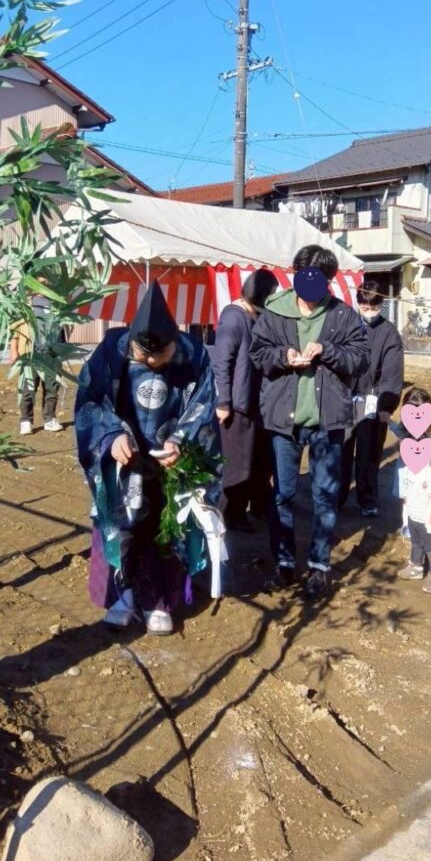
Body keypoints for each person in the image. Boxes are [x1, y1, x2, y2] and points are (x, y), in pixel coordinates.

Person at [74, 281, 220, 633]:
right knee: (121, 522)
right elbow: (90, 400)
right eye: (144, 358)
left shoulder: (195, 354)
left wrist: (180, 441)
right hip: (124, 459)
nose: (152, 363)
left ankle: (159, 601)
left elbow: (204, 405)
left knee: (165, 526)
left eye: (161, 358)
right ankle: (120, 597)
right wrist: (110, 437)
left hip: (170, 455)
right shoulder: (112, 349)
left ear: (174, 343)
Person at [250, 245, 370, 598]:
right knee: (283, 494)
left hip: (327, 420)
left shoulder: (343, 316)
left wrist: (327, 351)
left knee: (324, 494)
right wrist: (283, 356)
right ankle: (284, 563)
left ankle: (319, 567)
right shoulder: (275, 312)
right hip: (282, 422)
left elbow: (361, 359)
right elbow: (259, 354)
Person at [213, 268, 279, 532]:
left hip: (256, 403)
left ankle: (260, 506)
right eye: (271, 294)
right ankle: (231, 515)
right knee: (237, 465)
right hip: (237, 406)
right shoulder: (233, 317)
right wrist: (223, 402)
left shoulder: (256, 315)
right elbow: (222, 362)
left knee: (259, 460)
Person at [339, 280, 403, 517]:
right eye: (364, 308)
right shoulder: (347, 326)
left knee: (369, 451)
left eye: (373, 308)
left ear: (381, 305)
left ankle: (367, 500)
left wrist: (385, 404)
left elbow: (393, 372)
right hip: (346, 397)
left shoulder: (389, 333)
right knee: (342, 449)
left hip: (372, 398)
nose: (369, 312)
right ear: (358, 303)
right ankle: (338, 497)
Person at [393, 387, 431, 593]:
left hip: (429, 511)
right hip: (415, 508)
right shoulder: (409, 437)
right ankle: (416, 566)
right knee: (416, 543)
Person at [390, 386, 431, 540]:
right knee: (407, 499)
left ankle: (425, 524)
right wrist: (388, 422)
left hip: (426, 476)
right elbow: (399, 430)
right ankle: (407, 524)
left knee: (424, 500)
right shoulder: (406, 427)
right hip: (407, 473)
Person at [11, 294, 66, 435]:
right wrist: (13, 350)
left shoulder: (57, 301)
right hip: (31, 353)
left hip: (52, 355)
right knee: (28, 388)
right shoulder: (26, 302)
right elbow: (14, 328)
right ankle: (26, 421)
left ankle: (49, 420)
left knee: (52, 388)